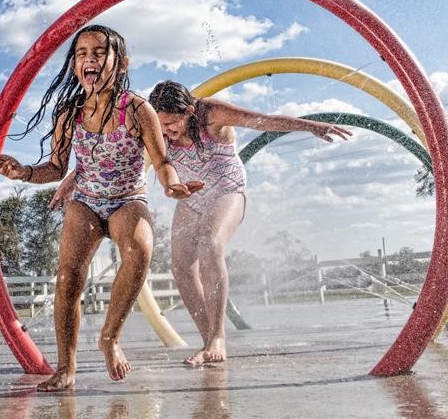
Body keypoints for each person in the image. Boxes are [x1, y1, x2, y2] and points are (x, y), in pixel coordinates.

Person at [0, 26, 202, 392]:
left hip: (126, 199)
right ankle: (66, 367)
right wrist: (20, 171)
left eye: (100, 53)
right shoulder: (69, 113)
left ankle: (109, 337)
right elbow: (55, 169)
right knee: (68, 278)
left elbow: (161, 159)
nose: (90, 59)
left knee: (140, 249)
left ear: (121, 64)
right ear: (74, 66)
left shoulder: (136, 109)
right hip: (85, 200)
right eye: (82, 53)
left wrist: (170, 184)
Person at [147, 80, 352, 366]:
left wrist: (309, 125)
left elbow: (261, 121)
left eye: (172, 123)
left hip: (227, 188)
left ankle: (218, 337)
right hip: (191, 195)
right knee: (180, 266)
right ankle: (208, 340)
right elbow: (124, 152)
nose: (166, 130)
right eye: (161, 124)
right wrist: (74, 179)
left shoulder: (210, 113)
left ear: (189, 111)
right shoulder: (154, 125)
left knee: (210, 241)